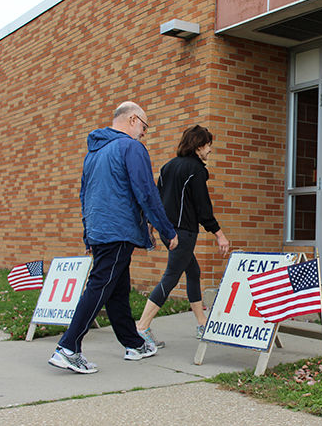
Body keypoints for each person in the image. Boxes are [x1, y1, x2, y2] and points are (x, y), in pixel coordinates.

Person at [48, 101, 178, 374]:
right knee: (100, 285)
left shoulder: (94, 153)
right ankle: (68, 348)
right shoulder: (131, 147)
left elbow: (85, 196)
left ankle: (134, 343)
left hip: (99, 229)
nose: (144, 132)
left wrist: (88, 234)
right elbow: (146, 192)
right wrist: (167, 231)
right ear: (132, 119)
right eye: (145, 126)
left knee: (117, 288)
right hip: (119, 230)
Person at [136, 125, 229, 348]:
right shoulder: (196, 170)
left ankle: (201, 323)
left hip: (169, 231)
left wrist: (150, 224)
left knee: (193, 271)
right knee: (171, 277)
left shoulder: (168, 167)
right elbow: (203, 208)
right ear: (198, 146)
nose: (210, 150)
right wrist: (219, 234)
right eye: (208, 146)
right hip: (184, 232)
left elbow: (156, 200)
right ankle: (141, 327)